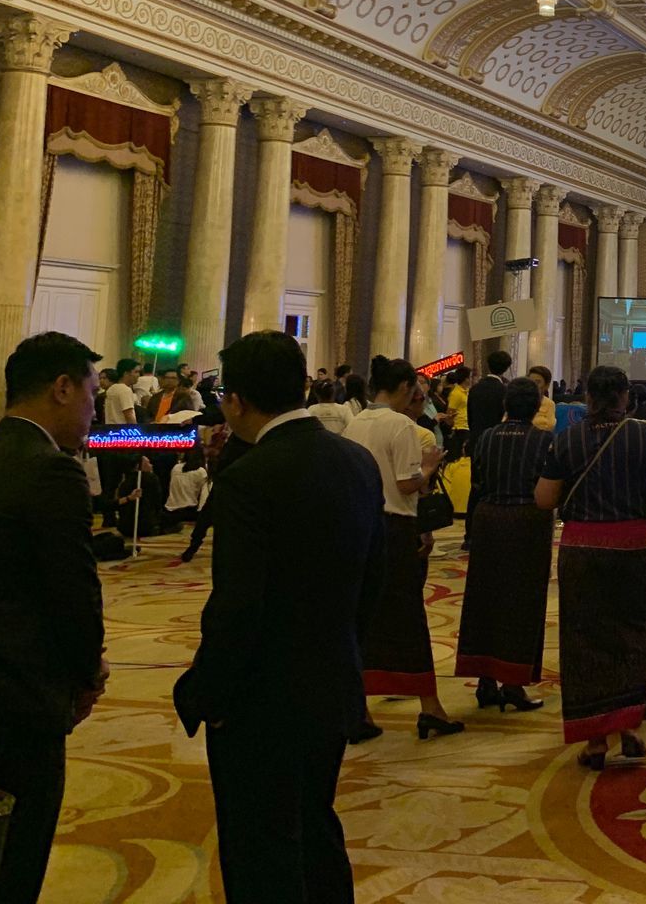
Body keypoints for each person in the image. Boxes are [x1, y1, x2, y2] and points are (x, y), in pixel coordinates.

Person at [172, 330, 385, 904]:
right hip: (333, 681)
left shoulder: (249, 478)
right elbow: (373, 582)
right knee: (316, 828)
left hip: (262, 698)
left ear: (237, 401)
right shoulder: (357, 462)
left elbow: (237, 607)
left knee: (260, 849)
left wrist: (208, 694)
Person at [0, 332, 106, 904]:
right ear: (62, 388)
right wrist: (87, 675)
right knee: (17, 864)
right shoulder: (50, 470)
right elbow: (74, 592)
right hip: (23, 701)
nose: (92, 410)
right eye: (90, 394)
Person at [535, 365, 646, 768]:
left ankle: (596, 740)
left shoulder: (567, 439)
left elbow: (544, 499)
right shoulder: (644, 435)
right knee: (631, 634)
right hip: (632, 545)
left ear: (587, 399)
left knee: (583, 639)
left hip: (581, 548)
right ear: (625, 397)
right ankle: (628, 725)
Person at [341, 357, 460, 740]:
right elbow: (407, 484)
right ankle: (430, 707)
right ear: (407, 388)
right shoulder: (402, 425)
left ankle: (360, 708)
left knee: (364, 617)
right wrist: (429, 465)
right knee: (408, 617)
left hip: (360, 524)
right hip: (394, 528)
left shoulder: (355, 422)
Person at [454, 376, 554, 713]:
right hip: (527, 521)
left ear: (505, 405)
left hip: (488, 518)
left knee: (484, 597)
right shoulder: (543, 440)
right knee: (522, 600)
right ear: (536, 407)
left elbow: (478, 481)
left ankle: (485, 680)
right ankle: (513, 683)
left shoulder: (485, 438)